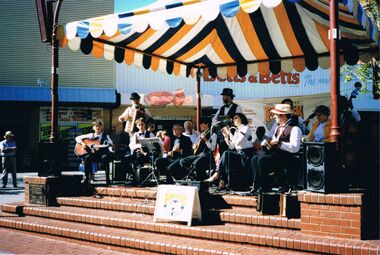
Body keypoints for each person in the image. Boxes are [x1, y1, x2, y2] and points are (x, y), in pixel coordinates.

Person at [250, 104, 302, 194]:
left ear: (283, 116)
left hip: (288, 158)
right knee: (255, 158)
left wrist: (280, 144)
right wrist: (268, 144)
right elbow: (273, 142)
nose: (274, 117)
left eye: (276, 115)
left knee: (262, 159)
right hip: (277, 155)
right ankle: (257, 186)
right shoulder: (278, 128)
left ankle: (265, 187)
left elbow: (295, 148)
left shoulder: (295, 129)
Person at [206, 113, 254, 190]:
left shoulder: (245, 128)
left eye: (236, 118)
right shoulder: (236, 130)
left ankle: (217, 174)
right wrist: (226, 137)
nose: (234, 120)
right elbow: (232, 146)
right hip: (239, 153)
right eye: (233, 118)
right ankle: (223, 180)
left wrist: (229, 133)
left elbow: (237, 142)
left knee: (226, 154)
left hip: (246, 155)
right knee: (226, 154)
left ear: (241, 119)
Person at [75, 121, 114, 185]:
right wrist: (83, 143)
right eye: (96, 126)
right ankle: (87, 178)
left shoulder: (106, 136)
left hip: (102, 154)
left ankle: (107, 179)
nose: (97, 127)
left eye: (99, 126)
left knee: (105, 157)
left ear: (101, 127)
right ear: (93, 128)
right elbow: (77, 138)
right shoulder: (90, 135)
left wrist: (111, 148)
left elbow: (111, 145)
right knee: (87, 158)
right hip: (94, 154)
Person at [211, 88, 243, 156]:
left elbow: (240, 121)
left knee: (231, 153)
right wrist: (217, 124)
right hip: (222, 135)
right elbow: (214, 119)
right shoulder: (221, 108)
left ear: (229, 97)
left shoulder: (237, 107)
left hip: (232, 135)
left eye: (224, 96)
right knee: (222, 153)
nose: (222, 98)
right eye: (223, 96)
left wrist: (230, 122)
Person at [124, 118, 156, 183]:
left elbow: (155, 145)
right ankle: (133, 174)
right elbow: (131, 146)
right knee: (125, 160)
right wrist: (138, 146)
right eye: (139, 125)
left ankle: (138, 178)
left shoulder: (150, 134)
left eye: (142, 124)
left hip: (147, 155)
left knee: (137, 160)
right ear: (137, 126)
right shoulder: (135, 134)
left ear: (145, 125)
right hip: (137, 153)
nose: (141, 126)